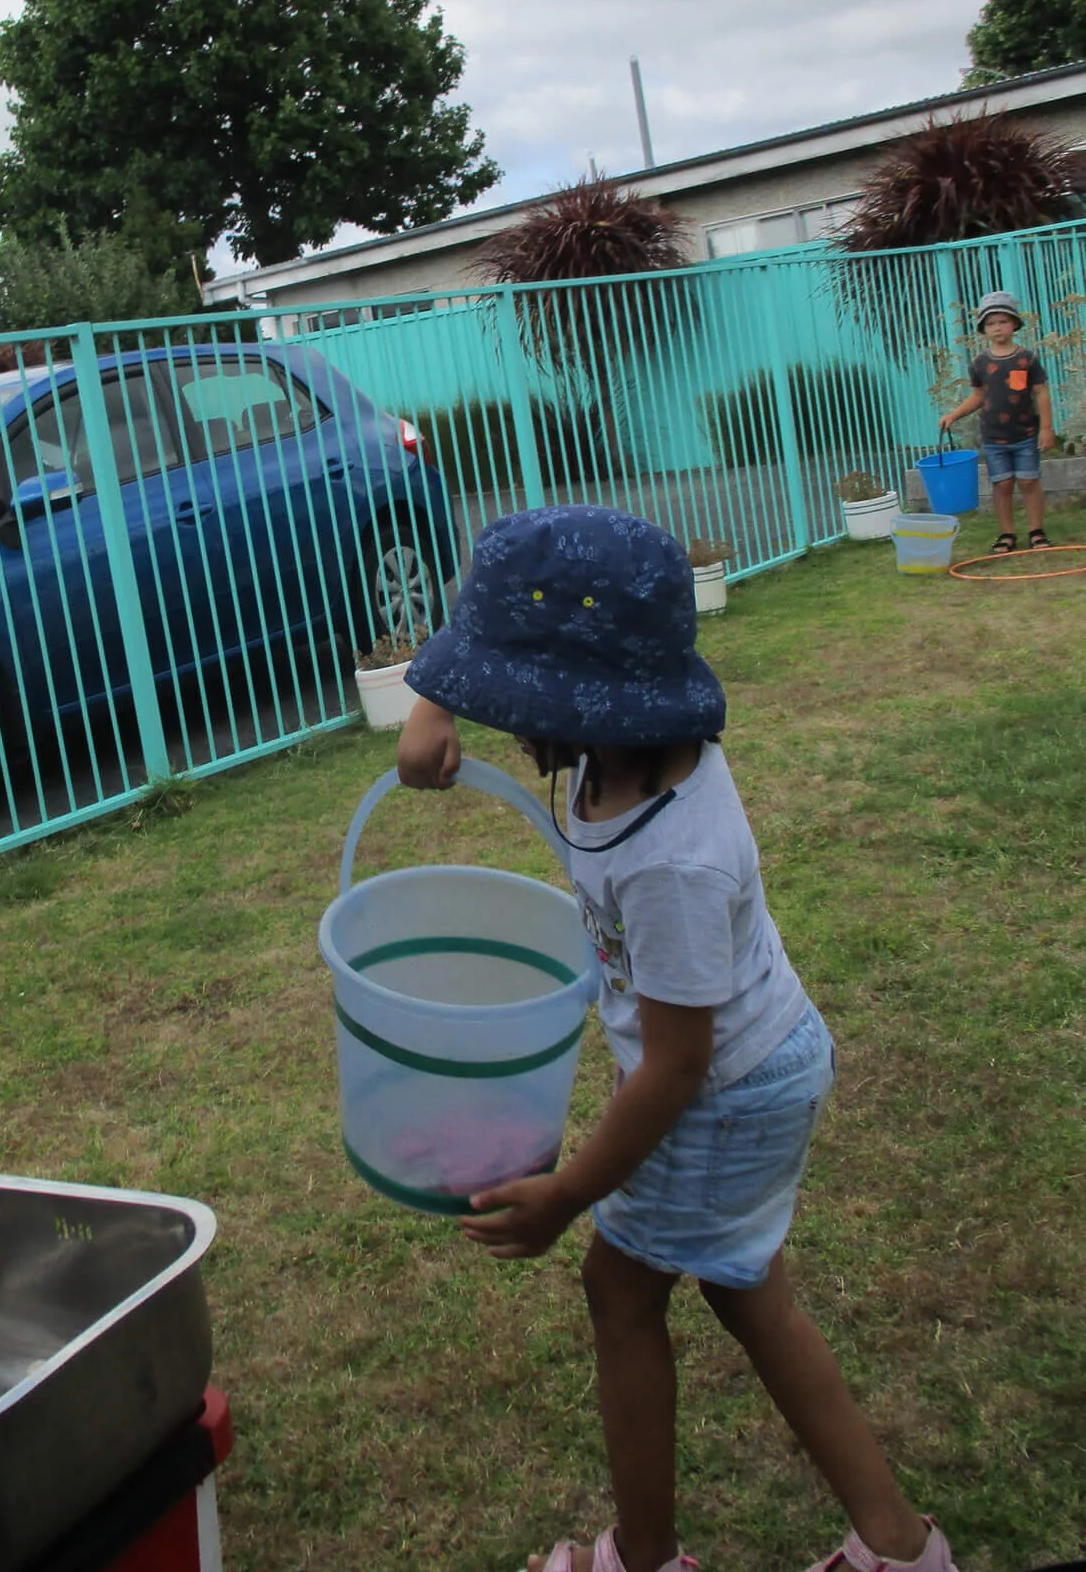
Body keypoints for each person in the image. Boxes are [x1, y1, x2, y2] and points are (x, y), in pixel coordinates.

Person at [395, 507, 957, 1572]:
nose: (505, 722)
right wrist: (430, 707)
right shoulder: (628, 745)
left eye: (514, 700)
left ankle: (644, 1557)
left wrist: (568, 1193)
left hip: (722, 1089)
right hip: (754, 1061)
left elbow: (678, 1062)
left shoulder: (673, 861)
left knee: (620, 1286)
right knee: (751, 1295)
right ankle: (897, 1546)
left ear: (577, 698)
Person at [939, 290, 1054, 554]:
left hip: (1025, 434)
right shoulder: (979, 363)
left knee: (1028, 482)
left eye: (1002, 321)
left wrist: (1046, 428)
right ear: (983, 330)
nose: (997, 327)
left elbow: (1041, 392)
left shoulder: (1027, 359)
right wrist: (953, 415)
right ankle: (1007, 534)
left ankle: (1036, 532)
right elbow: (979, 396)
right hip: (993, 439)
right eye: (990, 323)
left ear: (1014, 324)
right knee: (1001, 484)